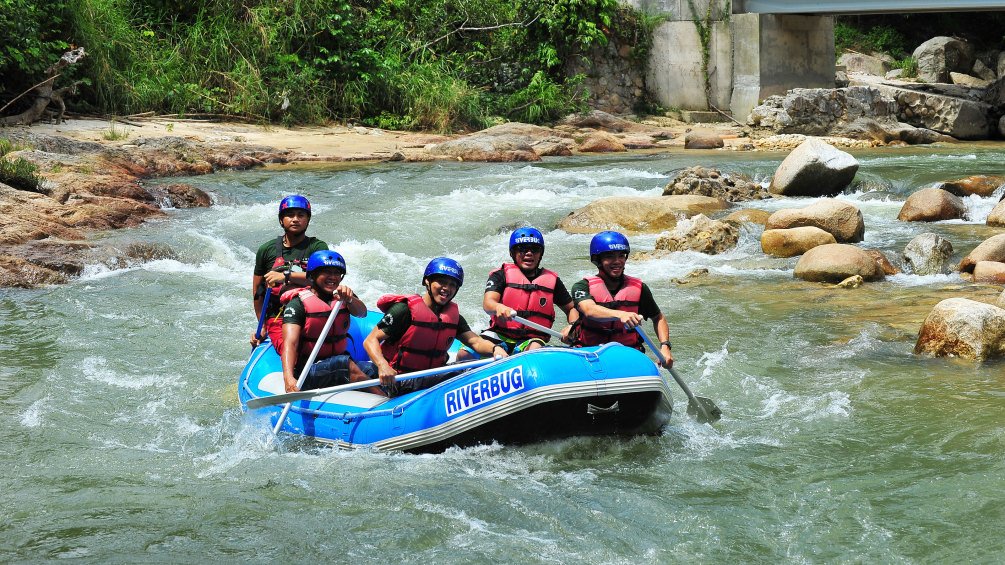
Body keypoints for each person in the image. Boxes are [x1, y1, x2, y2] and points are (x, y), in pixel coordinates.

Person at [362, 257, 508, 397]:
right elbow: (370, 340)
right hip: (400, 380)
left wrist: (495, 349)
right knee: (465, 370)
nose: (447, 288)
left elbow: (475, 342)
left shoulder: (452, 317)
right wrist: (382, 365)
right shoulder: (404, 310)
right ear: (427, 281)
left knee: (475, 366)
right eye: (441, 282)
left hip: (430, 377)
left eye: (452, 285)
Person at [570, 231, 674, 368]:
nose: (617, 261)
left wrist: (665, 346)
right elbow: (589, 310)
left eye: (621, 256)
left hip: (627, 354)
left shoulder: (640, 288)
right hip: (590, 354)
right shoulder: (582, 286)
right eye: (610, 256)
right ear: (598, 260)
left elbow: (658, 318)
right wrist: (621, 314)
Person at [278, 250, 377, 392]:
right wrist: (289, 379)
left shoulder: (343, 297)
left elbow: (362, 313)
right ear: (312, 275)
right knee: (344, 365)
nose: (333, 277)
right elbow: (290, 343)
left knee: (372, 369)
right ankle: (387, 403)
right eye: (327, 272)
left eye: (337, 273)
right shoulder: (297, 304)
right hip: (308, 370)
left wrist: (349, 299)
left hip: (339, 362)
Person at [475, 226, 578, 353]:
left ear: (540, 254)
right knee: (464, 355)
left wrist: (572, 327)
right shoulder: (500, 275)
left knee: (535, 348)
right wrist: (498, 307)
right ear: (512, 253)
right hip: (499, 335)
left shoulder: (552, 280)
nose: (529, 253)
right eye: (522, 249)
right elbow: (488, 303)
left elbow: (571, 309)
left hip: (532, 339)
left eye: (534, 249)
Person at [251, 195, 329, 348]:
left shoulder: (317, 247)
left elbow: (323, 279)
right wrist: (262, 325)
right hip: (278, 315)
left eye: (301, 215)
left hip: (310, 312)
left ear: (307, 220)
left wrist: (285, 276)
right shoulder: (266, 250)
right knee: (290, 348)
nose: (295, 219)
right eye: (290, 215)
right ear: (281, 220)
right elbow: (257, 291)